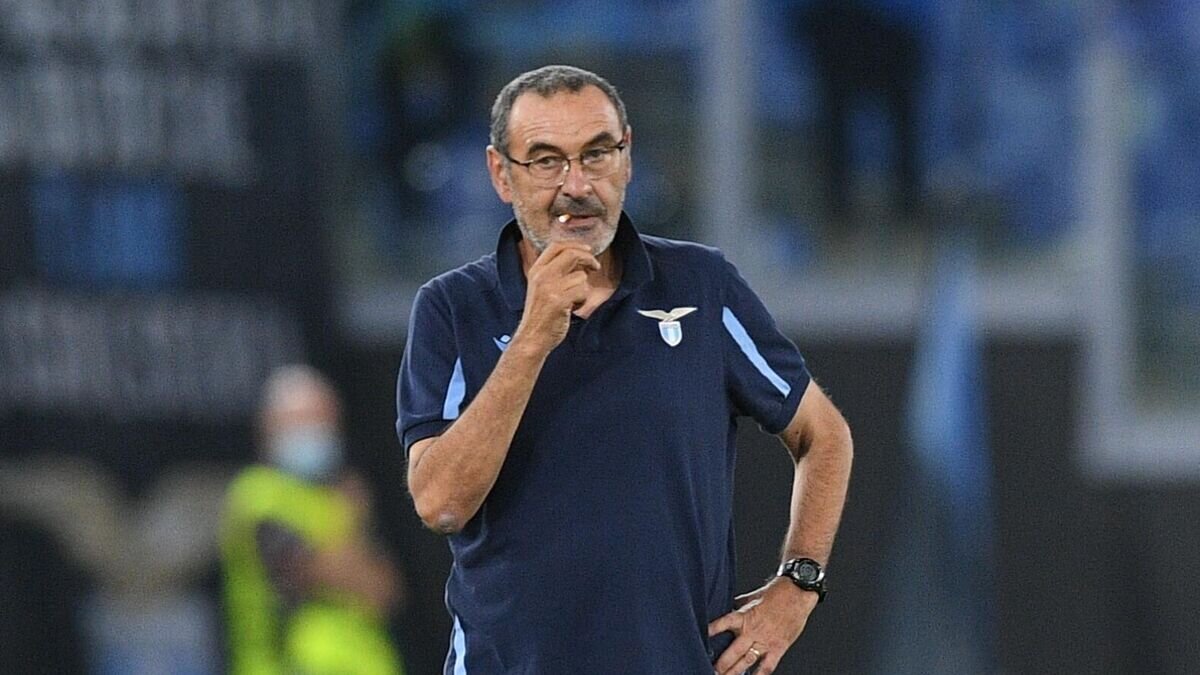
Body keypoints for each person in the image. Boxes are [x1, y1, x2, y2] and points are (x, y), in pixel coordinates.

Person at [396, 65, 853, 674]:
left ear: (627, 157)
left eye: (596, 154)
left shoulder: (701, 285)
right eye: (547, 161)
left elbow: (823, 434)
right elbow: (441, 504)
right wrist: (531, 339)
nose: (577, 185)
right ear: (501, 174)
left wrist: (798, 585)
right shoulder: (452, 309)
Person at [222, 365, 406, 675]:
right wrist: (350, 519)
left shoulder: (331, 496)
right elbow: (326, 572)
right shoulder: (259, 497)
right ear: (268, 427)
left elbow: (387, 591)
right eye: (302, 422)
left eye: (323, 422)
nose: (314, 433)